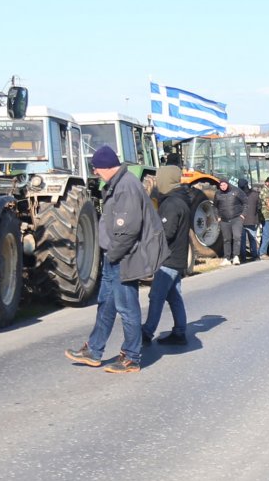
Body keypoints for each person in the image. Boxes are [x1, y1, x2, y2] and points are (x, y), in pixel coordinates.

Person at [68, 145, 164, 372]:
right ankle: (94, 349)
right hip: (115, 255)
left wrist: (112, 254)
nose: (96, 173)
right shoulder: (118, 183)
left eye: (96, 169)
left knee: (127, 306)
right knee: (106, 305)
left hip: (124, 256)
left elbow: (127, 229)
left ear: (106, 167)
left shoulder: (126, 186)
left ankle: (131, 357)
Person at [142, 165, 194, 347]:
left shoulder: (172, 204)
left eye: (159, 178)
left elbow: (166, 233)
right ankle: (180, 332)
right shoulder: (180, 200)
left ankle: (147, 332)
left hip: (169, 258)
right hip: (177, 257)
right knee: (174, 296)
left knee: (156, 295)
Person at [215, 176, 246, 264]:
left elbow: (245, 202)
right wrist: (218, 216)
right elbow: (215, 206)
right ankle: (227, 258)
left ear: (227, 184)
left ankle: (236, 256)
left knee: (236, 237)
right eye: (221, 185)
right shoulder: (218, 194)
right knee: (226, 239)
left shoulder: (236, 191)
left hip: (236, 218)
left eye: (224, 185)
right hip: (224, 220)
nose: (223, 187)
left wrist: (243, 215)